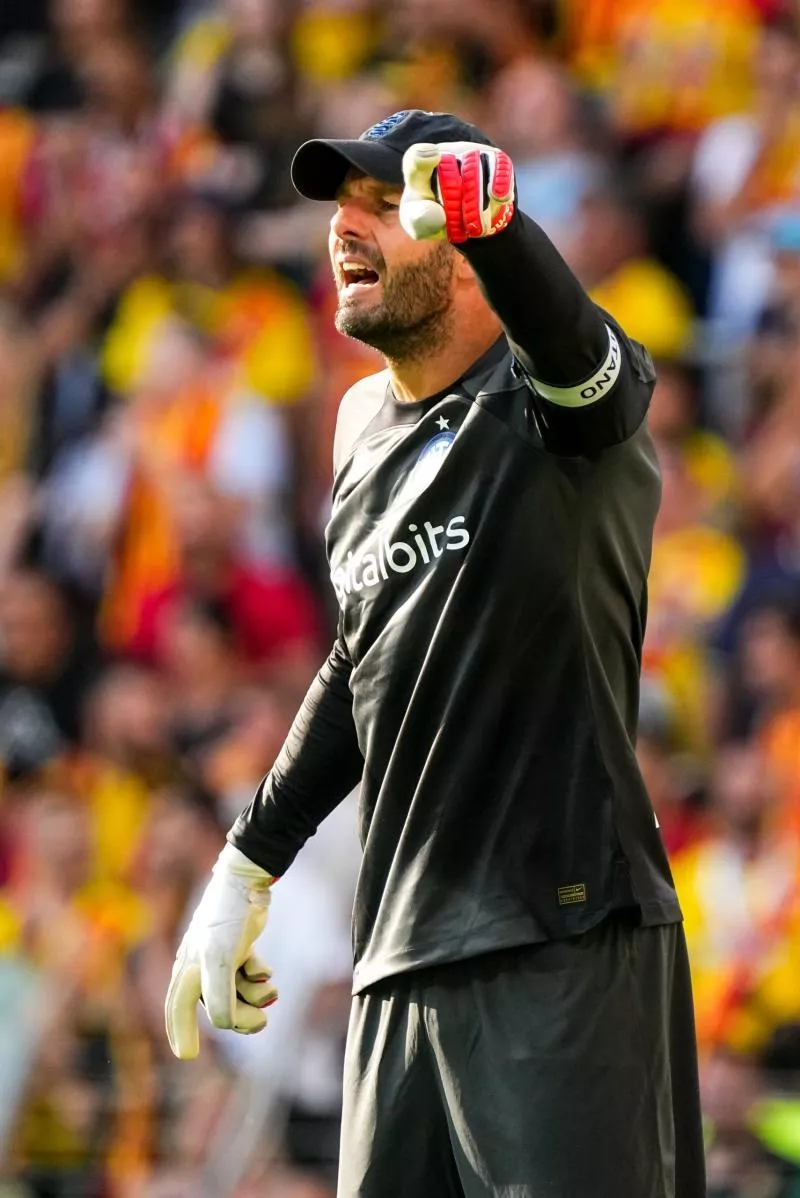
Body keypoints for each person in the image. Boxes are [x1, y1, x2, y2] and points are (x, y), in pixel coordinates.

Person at [164, 109, 706, 1197]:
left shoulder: (553, 395)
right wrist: (244, 865)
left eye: (379, 204)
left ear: (458, 245)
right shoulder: (357, 428)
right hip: (398, 966)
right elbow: (359, 662)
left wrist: (498, 225)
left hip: (560, 941)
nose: (344, 230)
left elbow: (581, 361)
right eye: (337, 209)